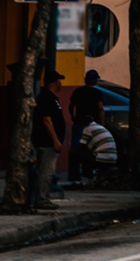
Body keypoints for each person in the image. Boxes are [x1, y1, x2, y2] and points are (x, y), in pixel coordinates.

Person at [34, 67, 67, 208]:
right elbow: (47, 120)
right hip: (47, 142)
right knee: (46, 172)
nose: (61, 83)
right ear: (55, 82)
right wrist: (55, 140)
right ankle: (42, 199)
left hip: (50, 142)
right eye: (59, 80)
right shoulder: (46, 98)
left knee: (47, 171)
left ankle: (44, 197)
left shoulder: (52, 98)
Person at [67, 70, 105, 188]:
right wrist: (102, 124)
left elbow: (70, 106)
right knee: (90, 150)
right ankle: (88, 177)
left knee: (76, 150)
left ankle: (76, 179)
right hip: (92, 126)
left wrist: (73, 117)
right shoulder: (97, 93)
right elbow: (100, 109)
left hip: (79, 123)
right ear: (95, 81)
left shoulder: (78, 91)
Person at [78, 119, 118, 185]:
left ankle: (81, 180)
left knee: (75, 155)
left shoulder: (88, 128)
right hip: (113, 159)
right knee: (87, 154)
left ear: (83, 125)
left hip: (101, 159)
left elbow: (81, 145)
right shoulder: (101, 127)